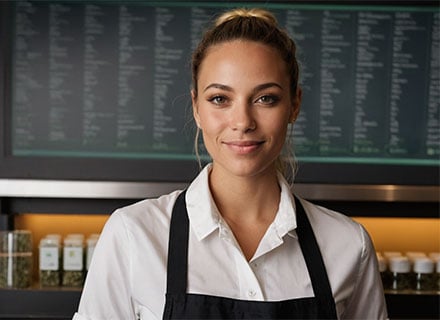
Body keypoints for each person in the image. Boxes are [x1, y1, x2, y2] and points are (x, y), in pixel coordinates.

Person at [73, 7, 387, 320]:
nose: (242, 122)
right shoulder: (134, 235)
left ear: (294, 105)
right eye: (220, 99)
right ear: (196, 107)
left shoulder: (348, 245)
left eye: (266, 98)